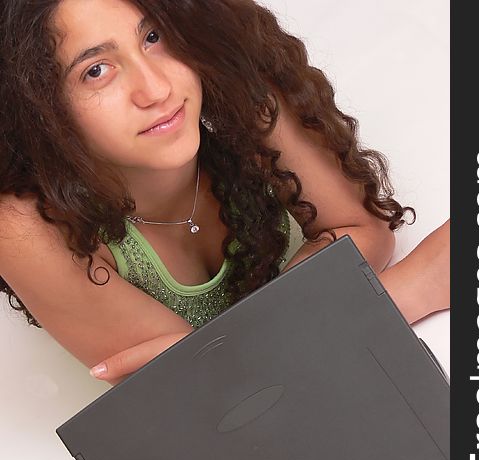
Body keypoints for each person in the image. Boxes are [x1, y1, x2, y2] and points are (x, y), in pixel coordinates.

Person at [0, 0, 449, 388]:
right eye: (96, 70)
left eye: (153, 36)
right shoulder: (20, 225)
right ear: (38, 109)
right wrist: (408, 291)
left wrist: (220, 350)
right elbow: (215, 394)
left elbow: (359, 229)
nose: (156, 89)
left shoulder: (235, 84)